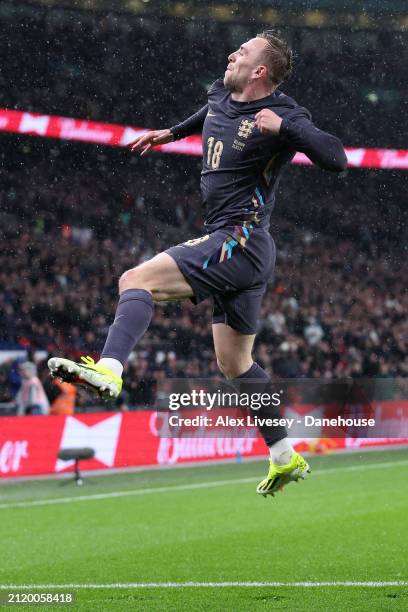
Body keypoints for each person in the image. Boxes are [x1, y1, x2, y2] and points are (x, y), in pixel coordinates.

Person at [49, 31, 347, 497]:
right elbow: (212, 113)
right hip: (241, 247)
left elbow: (337, 158)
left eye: (243, 52)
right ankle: (284, 455)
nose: (233, 54)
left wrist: (285, 130)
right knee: (236, 365)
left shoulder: (284, 114)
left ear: (260, 71)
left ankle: (109, 369)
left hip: (239, 239)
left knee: (136, 278)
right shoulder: (219, 94)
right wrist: (173, 133)